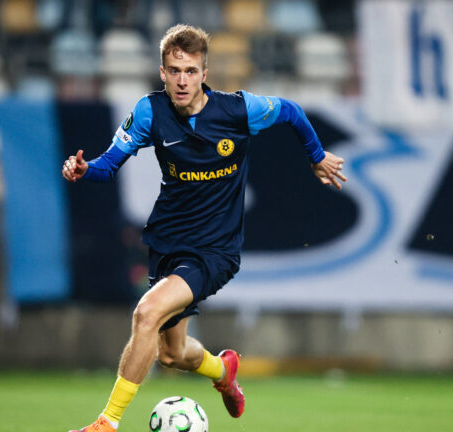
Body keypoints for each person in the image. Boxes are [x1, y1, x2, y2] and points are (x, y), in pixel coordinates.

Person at [62, 24, 346, 432]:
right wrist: (84, 169)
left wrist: (316, 156)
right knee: (172, 355)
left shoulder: (237, 110)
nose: (182, 80)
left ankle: (107, 423)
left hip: (214, 250)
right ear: (162, 72)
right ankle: (223, 371)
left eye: (191, 71)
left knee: (146, 314)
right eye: (174, 70)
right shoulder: (149, 112)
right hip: (167, 243)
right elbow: (107, 166)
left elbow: (290, 111)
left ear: (204, 72)